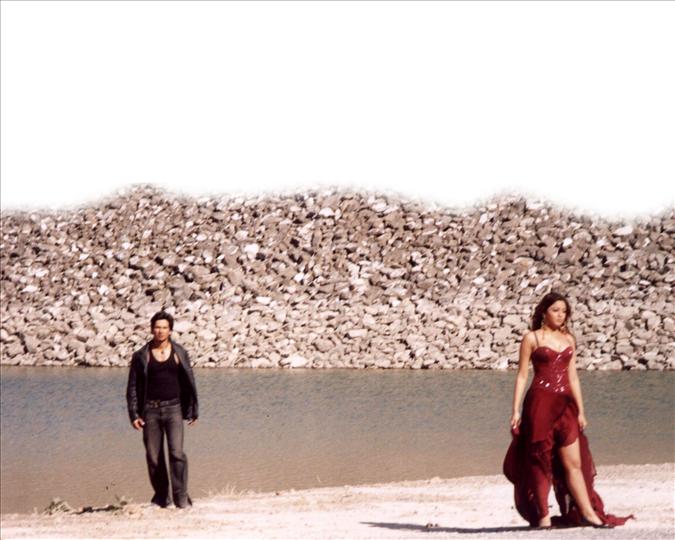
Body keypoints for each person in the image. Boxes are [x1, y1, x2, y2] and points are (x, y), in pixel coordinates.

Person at [503, 291, 633, 529]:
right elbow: (522, 376)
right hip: (540, 404)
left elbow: (573, 377)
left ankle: (588, 513)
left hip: (566, 407)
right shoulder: (532, 338)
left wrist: (581, 411)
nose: (560, 315)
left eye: (564, 311)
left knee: (574, 463)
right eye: (555, 310)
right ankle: (543, 517)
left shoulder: (569, 339)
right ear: (544, 312)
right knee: (540, 461)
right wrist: (515, 410)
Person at [126, 311, 199, 509]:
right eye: (157, 327)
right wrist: (134, 414)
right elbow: (132, 387)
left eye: (164, 328)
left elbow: (190, 382)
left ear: (170, 330)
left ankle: (181, 497)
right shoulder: (141, 355)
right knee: (153, 456)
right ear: (152, 329)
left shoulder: (179, 353)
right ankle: (161, 497)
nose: (160, 331)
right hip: (150, 410)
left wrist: (193, 409)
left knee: (177, 453)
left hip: (174, 409)